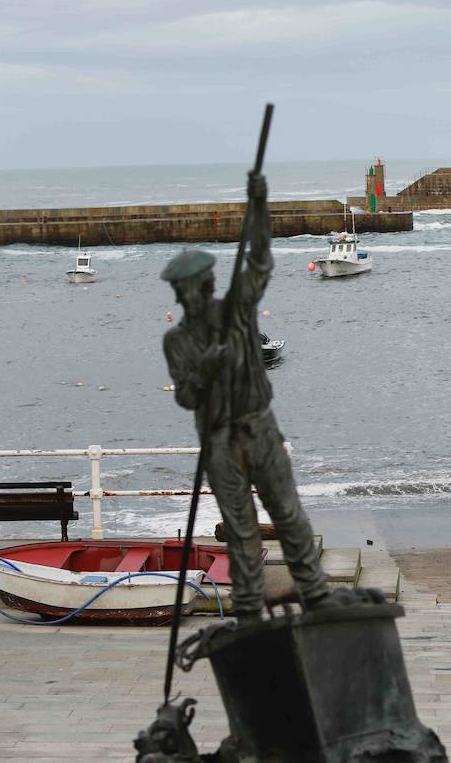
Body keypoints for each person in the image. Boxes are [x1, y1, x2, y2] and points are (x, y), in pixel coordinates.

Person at [160, 173, 329, 622]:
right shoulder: (177, 341)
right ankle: (250, 612)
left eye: (190, 286)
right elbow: (186, 397)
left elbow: (260, 261)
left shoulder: (237, 312)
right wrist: (207, 371)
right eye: (180, 290)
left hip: (260, 428)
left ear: (206, 284)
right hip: (218, 441)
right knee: (240, 531)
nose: (185, 295)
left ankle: (316, 597)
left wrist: (258, 208)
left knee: (289, 515)